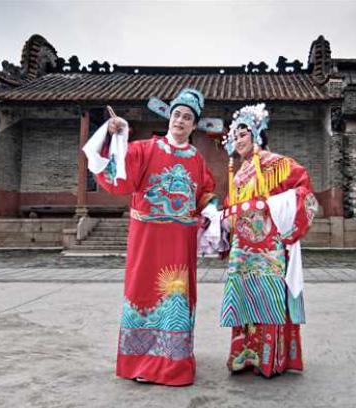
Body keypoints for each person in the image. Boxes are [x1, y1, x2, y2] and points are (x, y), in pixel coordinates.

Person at [82, 88, 218, 386]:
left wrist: (212, 211)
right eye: (177, 114)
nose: (180, 121)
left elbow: (206, 192)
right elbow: (119, 170)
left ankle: (173, 363)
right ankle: (140, 363)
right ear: (169, 118)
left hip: (179, 243)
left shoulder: (196, 159)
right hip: (147, 240)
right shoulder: (145, 149)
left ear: (194, 125)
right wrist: (115, 133)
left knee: (176, 298)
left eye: (187, 117)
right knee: (141, 292)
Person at [219, 104, 319, 378]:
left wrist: (279, 209)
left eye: (243, 134)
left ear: (257, 134)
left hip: (269, 247)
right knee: (243, 297)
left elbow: (305, 191)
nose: (238, 140)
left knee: (268, 298)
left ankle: (270, 358)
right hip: (243, 248)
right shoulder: (240, 172)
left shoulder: (277, 163)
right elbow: (231, 205)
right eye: (235, 136)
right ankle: (244, 355)